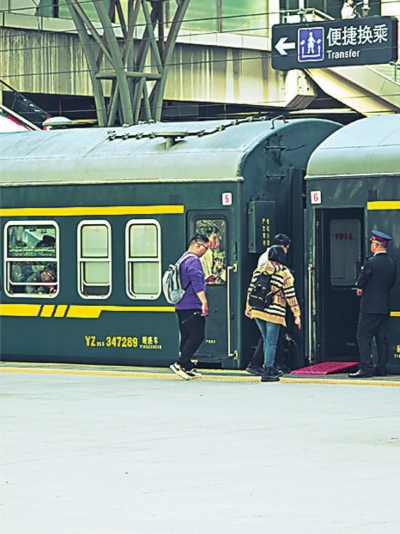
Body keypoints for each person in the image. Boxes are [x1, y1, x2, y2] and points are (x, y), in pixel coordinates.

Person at [245, 245, 301, 382]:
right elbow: (290, 295)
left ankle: (268, 367)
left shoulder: (259, 270)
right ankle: (268, 370)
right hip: (274, 311)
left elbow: (251, 289)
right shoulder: (284, 272)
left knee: (266, 340)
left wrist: (248, 307)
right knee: (271, 342)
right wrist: (296, 314)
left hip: (257, 310)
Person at [349, 230, 397, 378]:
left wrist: (360, 287)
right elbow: (391, 283)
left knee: (363, 335)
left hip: (370, 307)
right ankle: (381, 368)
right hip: (384, 306)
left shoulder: (371, 262)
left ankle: (366, 367)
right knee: (382, 338)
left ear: (376, 245)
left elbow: (362, 279)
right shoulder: (392, 263)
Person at [169, 233, 210, 380]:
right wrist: (204, 302)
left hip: (181, 304)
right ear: (198, 245)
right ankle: (180, 363)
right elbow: (197, 282)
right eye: (206, 248)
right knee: (198, 335)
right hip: (192, 304)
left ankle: (187, 366)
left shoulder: (183, 258)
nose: (206, 251)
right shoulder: (193, 260)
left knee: (186, 335)